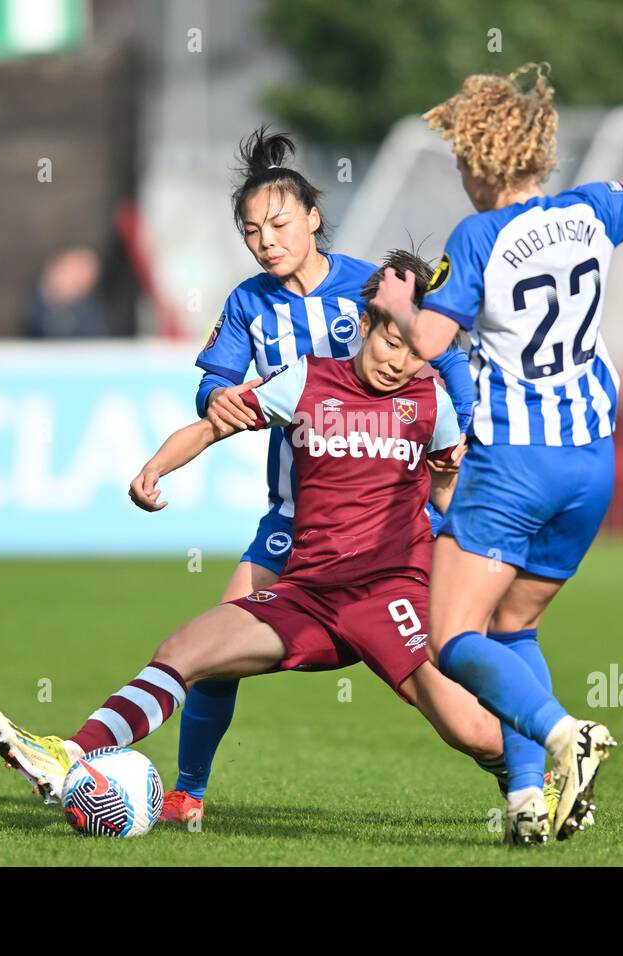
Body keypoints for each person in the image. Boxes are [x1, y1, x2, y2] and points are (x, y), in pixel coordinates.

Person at [0, 252, 511, 830]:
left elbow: (446, 495)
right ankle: (69, 756)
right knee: (183, 651)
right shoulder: (309, 378)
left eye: (416, 351)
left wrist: (471, 525)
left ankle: (538, 778)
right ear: (365, 325)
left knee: (476, 732)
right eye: (391, 342)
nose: (398, 361)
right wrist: (155, 469)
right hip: (307, 593)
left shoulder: (431, 401)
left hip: (390, 595)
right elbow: (216, 422)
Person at [371, 42, 623, 843]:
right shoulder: (595, 207)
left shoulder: (477, 237)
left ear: (479, 159)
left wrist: (401, 300)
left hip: (513, 464)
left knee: (452, 637)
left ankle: (563, 732)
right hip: (590, 464)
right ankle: (528, 803)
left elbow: (430, 343)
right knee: (515, 628)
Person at [166, 127, 476, 824]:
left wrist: (467, 418)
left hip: (394, 511)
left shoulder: (370, 286)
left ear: (312, 216)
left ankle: (526, 756)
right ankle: (187, 793)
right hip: (293, 515)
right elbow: (216, 385)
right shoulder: (249, 301)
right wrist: (211, 397)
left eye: (278, 223)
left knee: (445, 660)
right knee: (215, 646)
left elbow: (441, 350)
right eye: (251, 231)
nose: (266, 240)